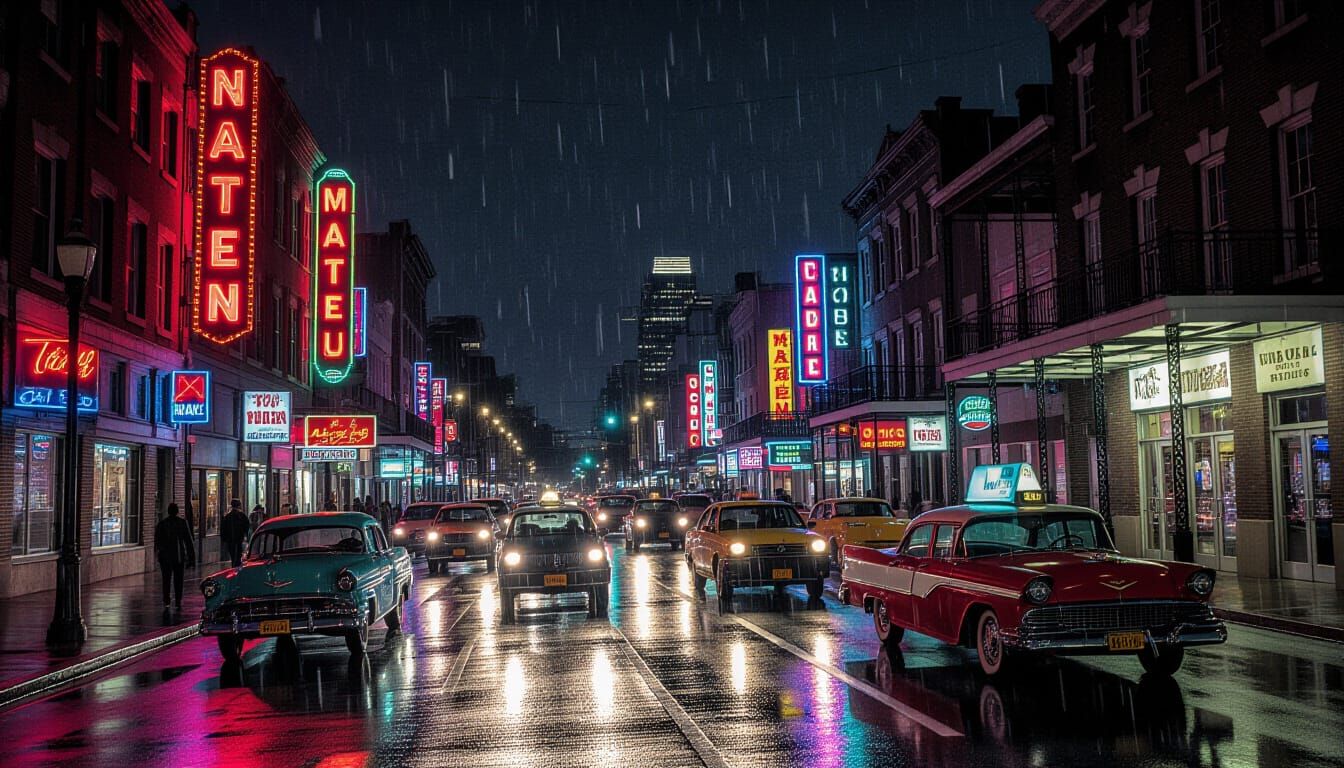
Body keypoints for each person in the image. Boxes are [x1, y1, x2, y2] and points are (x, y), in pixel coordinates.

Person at [154, 503, 196, 610]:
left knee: (166, 579)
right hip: (178, 556)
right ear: (177, 511)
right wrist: (191, 557)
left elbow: (157, 541)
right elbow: (188, 541)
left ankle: (166, 600)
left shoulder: (162, 524)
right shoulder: (182, 523)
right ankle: (178, 600)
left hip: (165, 557)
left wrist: (159, 553)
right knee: (179, 580)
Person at [221, 499, 250, 567]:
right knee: (238, 554)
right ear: (239, 506)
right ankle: (236, 566)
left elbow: (223, 529)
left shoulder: (227, 516)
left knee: (233, 554)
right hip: (239, 539)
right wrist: (245, 535)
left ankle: (234, 565)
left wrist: (224, 539)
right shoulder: (241, 515)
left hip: (230, 540)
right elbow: (247, 526)